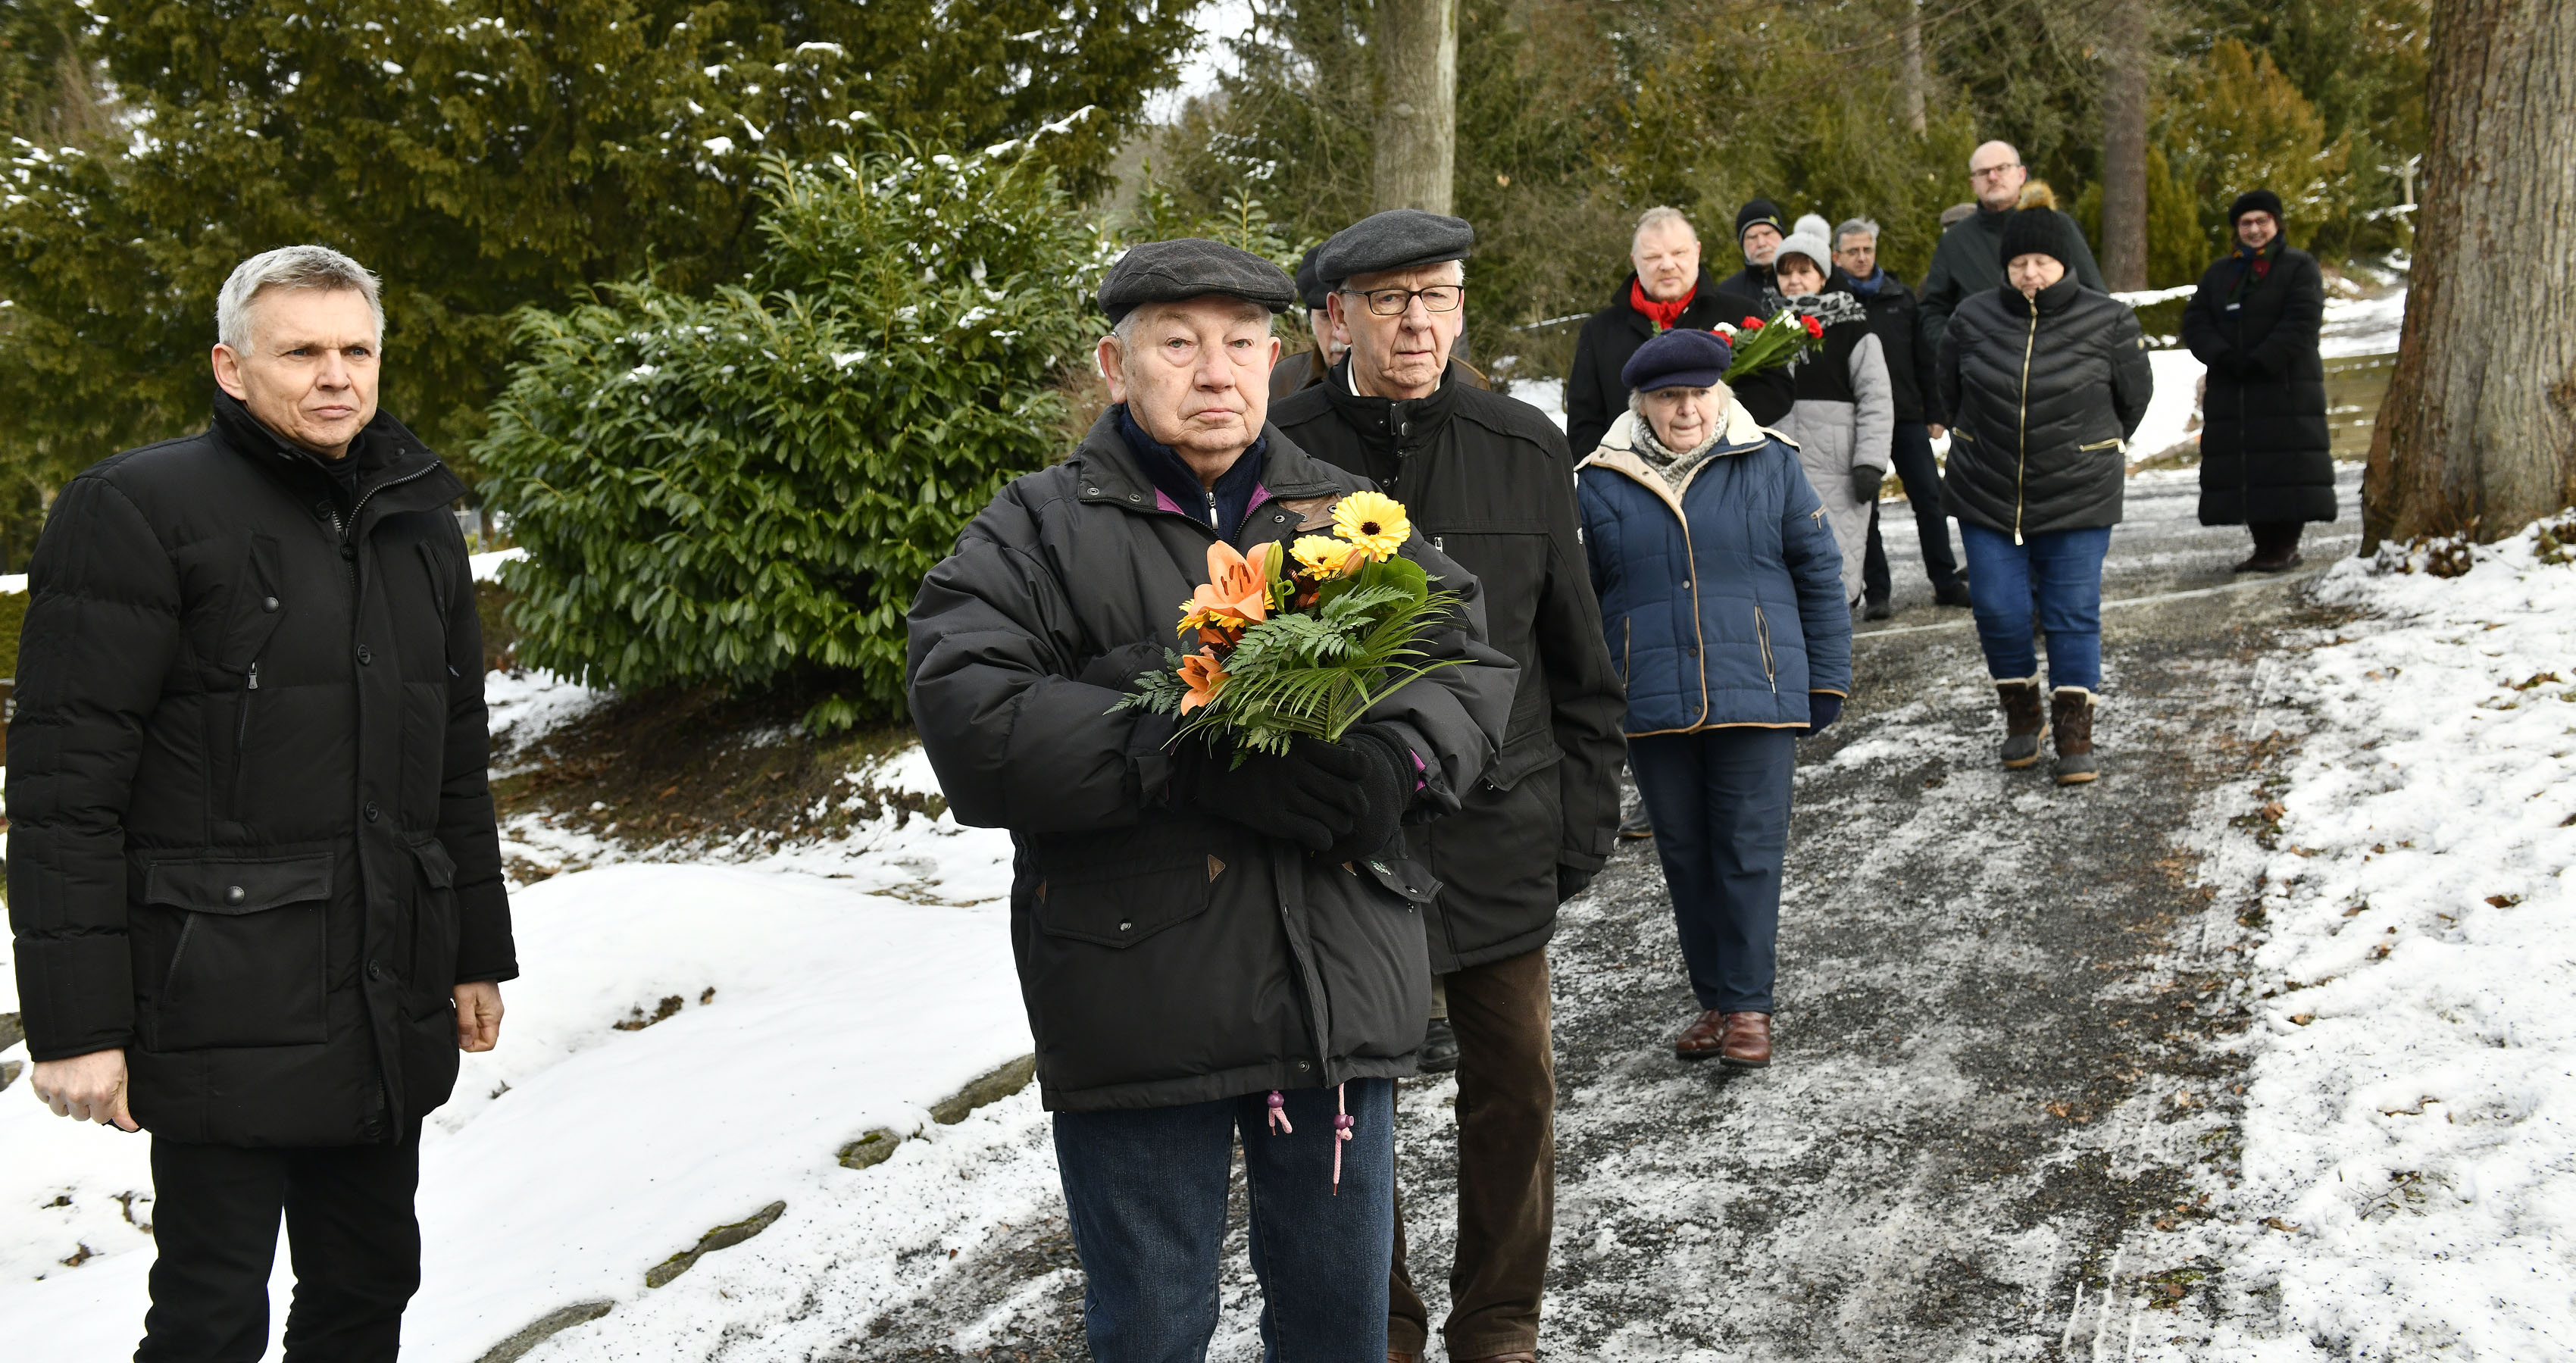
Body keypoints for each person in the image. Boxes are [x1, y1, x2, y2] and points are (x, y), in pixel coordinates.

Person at [905, 238, 1515, 1361]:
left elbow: (1467, 668)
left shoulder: (1345, 514)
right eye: (1177, 343)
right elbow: (973, 716)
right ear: (1113, 363)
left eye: (1239, 343)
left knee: (1340, 1327)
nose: (1214, 370)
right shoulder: (1035, 527)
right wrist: (1180, 742)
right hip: (1141, 991)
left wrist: (1392, 770)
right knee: (1150, 1327)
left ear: (1275, 356)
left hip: (1330, 985)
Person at [10, 245, 513, 1360]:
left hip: (386, 986)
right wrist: (78, 1023)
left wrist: (473, 949)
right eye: (303, 351)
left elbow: (453, 764)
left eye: (356, 349)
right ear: (232, 368)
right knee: (210, 1314)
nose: (337, 374)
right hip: (212, 996)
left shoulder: (415, 517)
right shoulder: (136, 508)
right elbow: (62, 781)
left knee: (371, 1283)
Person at [1269, 210, 1627, 1363]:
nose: (1418, 320)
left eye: (1438, 295)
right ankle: (1379, 1318)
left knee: (1514, 1091)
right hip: (1343, 843)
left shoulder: (1524, 445)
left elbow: (1578, 654)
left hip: (1501, 830)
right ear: (1335, 319)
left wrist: (1583, 818)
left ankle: (1499, 1317)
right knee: (1346, 1103)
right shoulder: (1277, 451)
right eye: (1388, 299)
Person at [1576, 327, 1849, 1068]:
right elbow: (1582, 597)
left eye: (1697, 393)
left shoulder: (1769, 463)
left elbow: (1818, 571)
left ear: (1719, 394)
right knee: (1686, 857)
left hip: (1755, 689)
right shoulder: (1599, 480)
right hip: (1653, 696)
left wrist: (1825, 676)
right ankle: (1717, 999)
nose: (1685, 409)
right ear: (1643, 404)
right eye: (1668, 397)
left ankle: (1750, 1007)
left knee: (1748, 852)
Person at [1935, 211, 2152, 786]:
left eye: (2042, 262)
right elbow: (1949, 389)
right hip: (1987, 491)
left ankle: (2075, 732)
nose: (2031, 273)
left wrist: (2092, 446)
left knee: (2071, 612)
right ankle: (2022, 713)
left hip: (2079, 494)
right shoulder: (1972, 316)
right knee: (1998, 609)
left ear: (2065, 264)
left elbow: (2134, 397)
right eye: (2019, 263)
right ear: (2005, 266)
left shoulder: (2109, 320)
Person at [2181, 189, 2333, 572]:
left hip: (2285, 386)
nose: (2254, 229)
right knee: (2247, 469)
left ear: (2276, 224)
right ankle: (2265, 546)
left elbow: (2302, 320)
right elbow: (2196, 321)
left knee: (2286, 468)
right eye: (2246, 223)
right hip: (2234, 388)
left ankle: (2284, 546)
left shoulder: (2299, 266)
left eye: (2261, 221)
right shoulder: (2220, 273)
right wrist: (2223, 357)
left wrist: (2263, 360)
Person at [1917, 140, 2109, 418]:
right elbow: (1933, 310)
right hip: (1986, 392)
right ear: (1973, 184)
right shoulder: (1955, 243)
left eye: (2001, 168)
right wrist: (1961, 352)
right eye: (1984, 173)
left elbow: (2095, 298)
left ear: (2021, 174)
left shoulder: (2058, 227)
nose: (1992, 177)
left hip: (2061, 386)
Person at [1837, 217, 1970, 616]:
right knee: (1867, 508)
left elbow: (1923, 360)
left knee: (1930, 499)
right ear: (1836, 256)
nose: (1862, 258)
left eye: (1868, 250)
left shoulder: (1901, 297)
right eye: (1853, 251)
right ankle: (1878, 592)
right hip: (1858, 423)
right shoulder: (1834, 305)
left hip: (1908, 416)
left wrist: (1935, 411)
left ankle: (1945, 580)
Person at [1769, 225, 1893, 609]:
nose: (1794, 281)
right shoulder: (1762, 329)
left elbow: (1876, 396)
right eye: (1786, 272)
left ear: (1822, 276)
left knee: (1835, 578)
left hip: (1837, 469)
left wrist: (1870, 461)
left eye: (1804, 271)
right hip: (1778, 468)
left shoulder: (1853, 326)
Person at [1268, 245, 1346, 400]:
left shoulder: (1398, 380)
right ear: (1311, 322)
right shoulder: (1281, 381)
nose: (1340, 333)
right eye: (1326, 316)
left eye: (1347, 314)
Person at [1709, 198, 1788, 320]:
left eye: (1768, 233)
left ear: (1782, 236)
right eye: (1752, 237)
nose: (1761, 243)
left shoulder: (1804, 282)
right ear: (1742, 244)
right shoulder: (1726, 293)